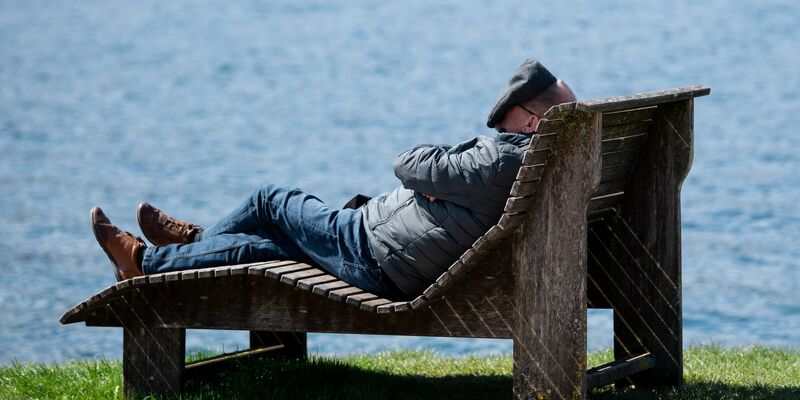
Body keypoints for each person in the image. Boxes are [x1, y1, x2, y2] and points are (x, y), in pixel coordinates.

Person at [90, 59, 576, 301]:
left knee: (272, 200)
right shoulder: (544, 160)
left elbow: (407, 162)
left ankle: (167, 250)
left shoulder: (498, 164)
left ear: (531, 121)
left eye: (506, 119)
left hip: (373, 253)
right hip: (394, 255)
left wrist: (433, 177)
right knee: (265, 247)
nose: (496, 129)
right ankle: (157, 259)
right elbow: (437, 176)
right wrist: (440, 182)